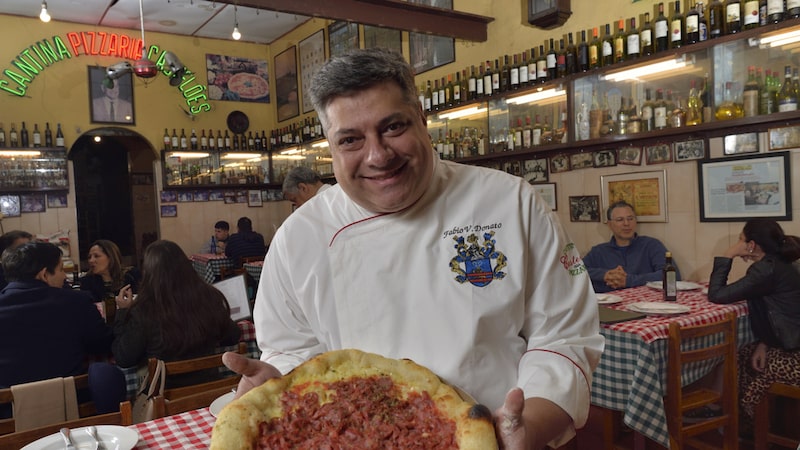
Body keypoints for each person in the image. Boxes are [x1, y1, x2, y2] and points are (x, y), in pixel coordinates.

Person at [222, 48, 603, 449]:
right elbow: (292, 351)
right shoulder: (298, 238)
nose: (378, 155)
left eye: (392, 127)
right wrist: (278, 383)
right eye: (351, 139)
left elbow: (564, 338)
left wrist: (525, 430)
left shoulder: (511, 203)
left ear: (422, 119)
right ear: (329, 147)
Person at [0, 242, 124, 415]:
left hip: (7, 414)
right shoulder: (75, 302)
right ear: (44, 274)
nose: (64, 277)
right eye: (60, 270)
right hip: (70, 407)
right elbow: (102, 344)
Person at [706, 219, 800, 431]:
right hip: (789, 344)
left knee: (739, 357)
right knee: (744, 353)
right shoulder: (782, 262)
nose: (739, 244)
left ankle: (745, 424)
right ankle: (747, 424)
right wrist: (764, 344)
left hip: (795, 356)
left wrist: (728, 255)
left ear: (752, 244)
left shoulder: (765, 270)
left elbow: (717, 294)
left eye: (741, 239)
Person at [112, 240, 240, 387]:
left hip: (164, 398)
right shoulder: (208, 298)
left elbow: (124, 358)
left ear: (148, 273)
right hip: (208, 391)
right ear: (187, 267)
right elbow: (233, 336)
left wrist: (122, 312)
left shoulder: (144, 310)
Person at [583, 200, 680, 293]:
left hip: (647, 304)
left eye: (630, 219)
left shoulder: (651, 245)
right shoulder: (599, 251)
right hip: (607, 306)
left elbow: (673, 276)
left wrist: (629, 280)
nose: (626, 224)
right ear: (610, 225)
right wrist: (605, 275)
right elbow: (574, 272)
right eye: (620, 220)